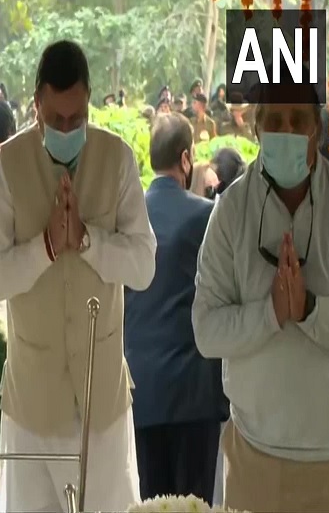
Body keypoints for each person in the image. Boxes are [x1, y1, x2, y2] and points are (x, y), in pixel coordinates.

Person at [0, 40, 156, 513]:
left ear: (88, 102)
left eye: (77, 119)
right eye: (56, 119)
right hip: (32, 399)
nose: (67, 128)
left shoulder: (116, 158)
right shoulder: (9, 163)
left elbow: (143, 264)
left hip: (103, 401)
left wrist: (88, 241)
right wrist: (48, 248)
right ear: (36, 104)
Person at [193, 68, 329, 513]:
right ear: (255, 126)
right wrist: (272, 313)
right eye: (275, 120)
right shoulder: (230, 212)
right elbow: (207, 331)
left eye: (298, 120)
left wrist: (310, 309)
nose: (287, 131)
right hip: (253, 458)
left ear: (318, 127)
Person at [124, 112, 227, 504]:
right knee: (193, 504)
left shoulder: (127, 219)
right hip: (193, 394)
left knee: (149, 503)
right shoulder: (205, 216)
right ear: (186, 159)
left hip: (140, 390)